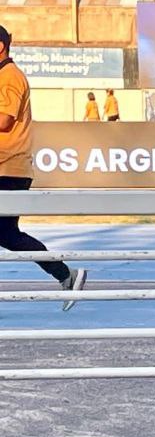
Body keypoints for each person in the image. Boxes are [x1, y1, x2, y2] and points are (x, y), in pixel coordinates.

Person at [0, 25, 87, 310]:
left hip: (7, 168)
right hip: (8, 168)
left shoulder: (9, 76)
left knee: (8, 235)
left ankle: (65, 273)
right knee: (8, 235)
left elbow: (4, 120)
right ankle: (65, 274)